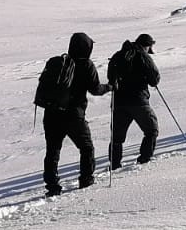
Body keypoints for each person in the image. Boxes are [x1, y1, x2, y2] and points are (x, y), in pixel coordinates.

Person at [42, 32, 109, 196]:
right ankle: (86, 180)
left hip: (51, 114)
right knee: (86, 148)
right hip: (74, 115)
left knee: (53, 150)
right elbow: (95, 89)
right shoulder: (86, 65)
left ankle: (52, 186)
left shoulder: (57, 62)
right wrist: (109, 87)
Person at [107, 34, 161, 170]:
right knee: (151, 130)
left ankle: (114, 165)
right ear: (147, 45)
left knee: (117, 138)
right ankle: (144, 160)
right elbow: (154, 79)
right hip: (138, 101)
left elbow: (110, 77)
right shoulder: (143, 56)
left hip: (119, 102)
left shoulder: (118, 55)